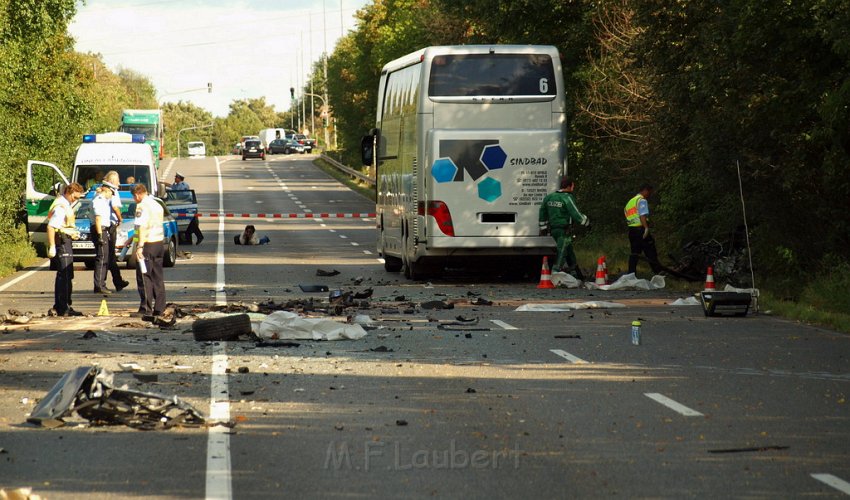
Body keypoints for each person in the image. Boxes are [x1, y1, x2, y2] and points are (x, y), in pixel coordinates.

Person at [539, 177, 590, 278]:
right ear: (568, 186)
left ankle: (576, 272)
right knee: (562, 250)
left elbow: (542, 212)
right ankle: (555, 272)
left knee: (569, 249)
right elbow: (575, 213)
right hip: (564, 229)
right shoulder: (567, 197)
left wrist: (543, 227)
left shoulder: (549, 197)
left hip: (553, 229)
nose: (573, 188)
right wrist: (586, 222)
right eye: (573, 186)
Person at [47, 182, 85, 317]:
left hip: (65, 240)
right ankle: (63, 307)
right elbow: (51, 226)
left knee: (65, 274)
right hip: (62, 242)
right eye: (75, 197)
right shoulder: (61, 206)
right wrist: (52, 246)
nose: (76, 200)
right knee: (65, 275)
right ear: (70, 192)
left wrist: (72, 232)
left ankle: (62, 305)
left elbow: (64, 225)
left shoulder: (64, 203)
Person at [131, 183, 166, 320]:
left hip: (147, 245)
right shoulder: (156, 204)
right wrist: (131, 239)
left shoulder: (142, 206)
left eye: (134, 197)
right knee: (158, 277)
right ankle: (159, 308)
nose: (134, 200)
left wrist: (139, 246)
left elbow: (142, 227)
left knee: (144, 277)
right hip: (159, 243)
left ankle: (145, 308)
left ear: (137, 194)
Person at [624, 184, 664, 277]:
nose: (649, 195)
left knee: (634, 253)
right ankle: (658, 272)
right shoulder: (641, 201)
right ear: (645, 190)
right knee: (650, 251)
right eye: (649, 192)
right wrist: (646, 227)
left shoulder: (630, 202)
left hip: (632, 230)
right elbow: (642, 215)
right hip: (640, 229)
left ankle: (631, 274)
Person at [103, 171, 131, 291]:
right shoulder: (113, 191)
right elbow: (115, 207)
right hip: (110, 226)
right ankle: (105, 283)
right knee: (108, 256)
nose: (119, 182)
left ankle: (116, 281)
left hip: (106, 225)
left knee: (108, 257)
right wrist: (120, 219)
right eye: (118, 180)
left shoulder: (103, 189)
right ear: (113, 181)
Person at [166, 172, 204, 245]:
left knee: (190, 223)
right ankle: (191, 239)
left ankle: (198, 237)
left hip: (185, 206)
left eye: (176, 177)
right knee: (188, 224)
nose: (174, 178)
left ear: (179, 178)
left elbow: (182, 195)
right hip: (179, 206)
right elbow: (171, 189)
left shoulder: (184, 186)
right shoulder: (175, 185)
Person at [91, 185, 115, 294]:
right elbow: (97, 218)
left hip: (104, 230)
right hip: (99, 230)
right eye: (111, 192)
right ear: (107, 190)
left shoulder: (104, 201)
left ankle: (101, 284)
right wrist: (100, 235)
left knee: (105, 257)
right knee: (101, 258)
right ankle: (99, 285)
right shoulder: (98, 201)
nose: (112, 195)